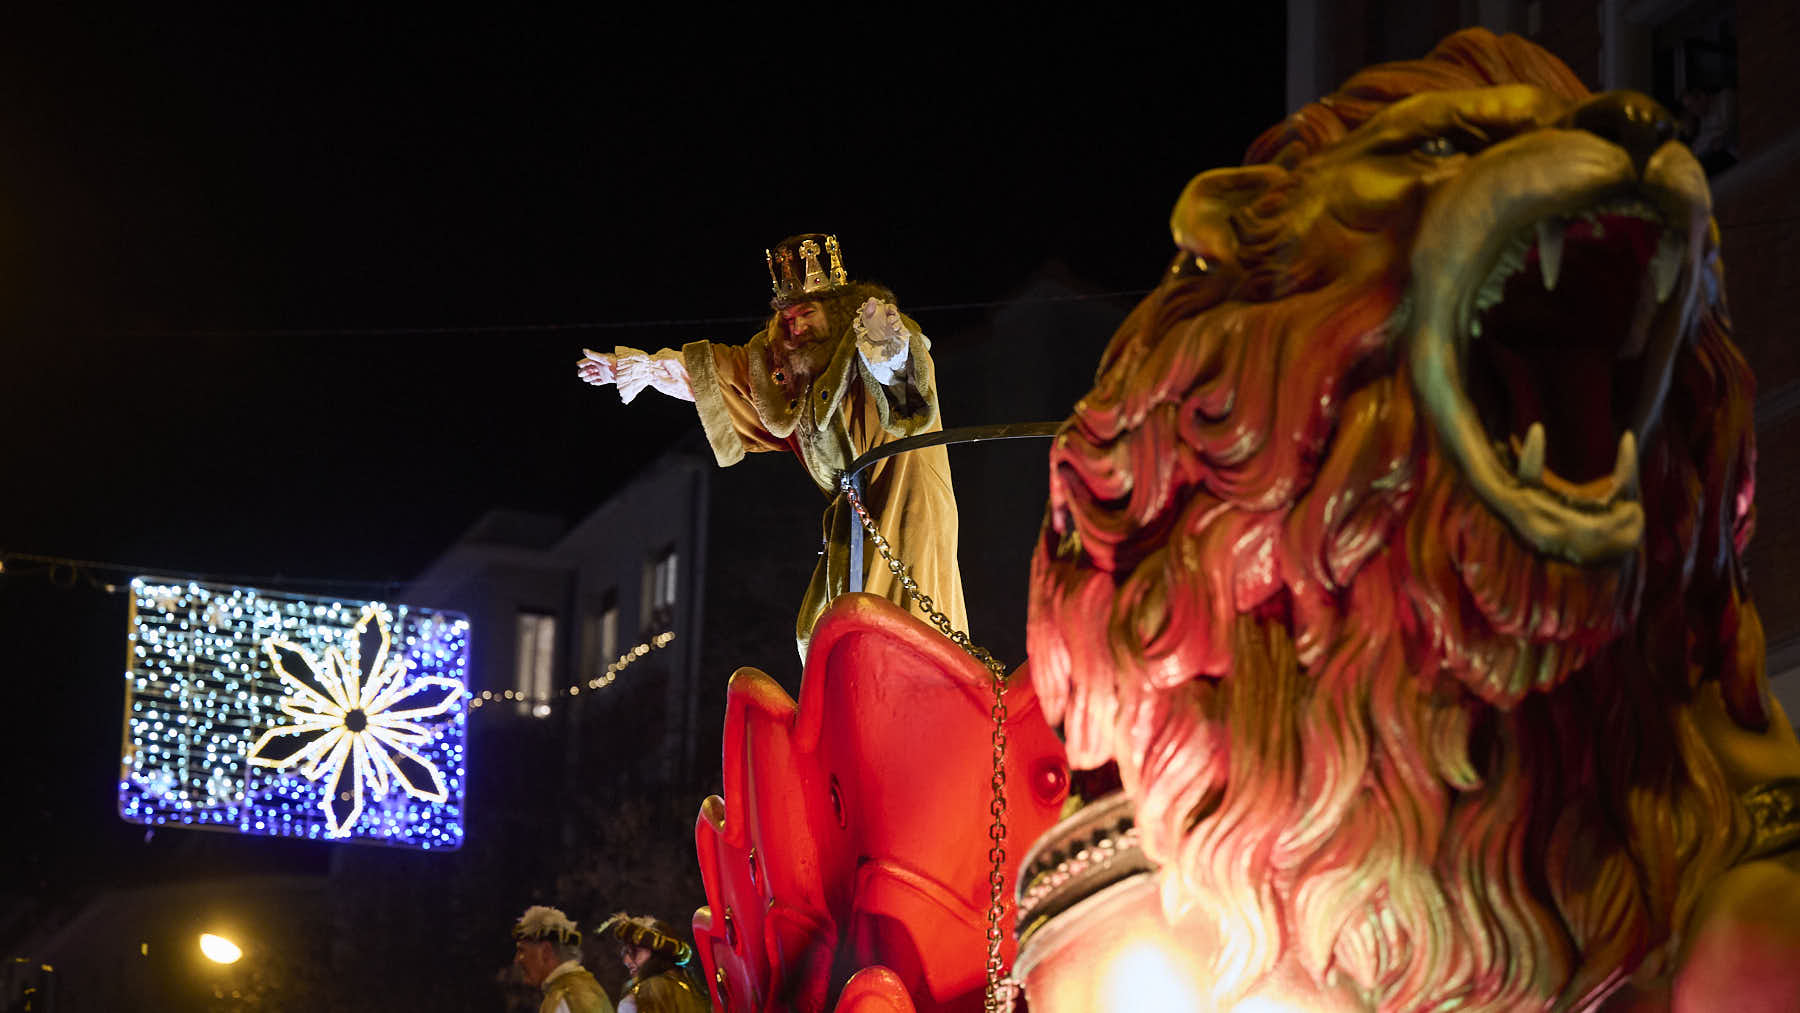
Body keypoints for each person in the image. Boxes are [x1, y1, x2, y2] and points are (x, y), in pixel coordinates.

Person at [576, 233, 966, 657]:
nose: (795, 327)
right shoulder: (784, 368)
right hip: (852, 514)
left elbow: (908, 395)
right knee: (818, 630)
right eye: (787, 318)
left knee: (897, 620)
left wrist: (887, 350)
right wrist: (645, 369)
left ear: (835, 311)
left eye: (806, 314)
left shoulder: (871, 328)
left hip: (906, 495)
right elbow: (720, 373)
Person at [595, 913, 708, 1013]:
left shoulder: (639, 998)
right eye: (626, 952)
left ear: (657, 952)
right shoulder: (695, 991)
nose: (627, 961)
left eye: (635, 951)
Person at [513, 905, 615, 1013]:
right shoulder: (590, 988)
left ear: (545, 951)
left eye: (522, 950)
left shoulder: (562, 997)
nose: (517, 960)